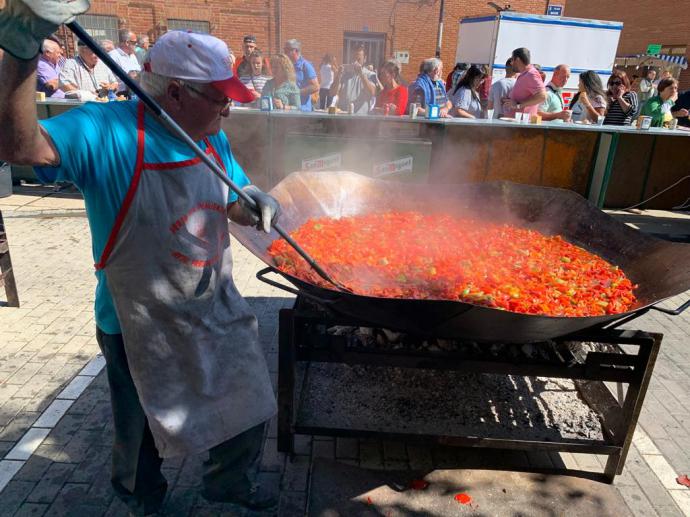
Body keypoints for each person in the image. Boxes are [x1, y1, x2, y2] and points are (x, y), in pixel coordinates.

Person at [0, 10, 280, 513]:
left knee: (248, 396)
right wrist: (20, 53)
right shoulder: (103, 131)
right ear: (174, 93)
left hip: (212, 302)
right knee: (140, 425)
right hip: (139, 321)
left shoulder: (210, 133)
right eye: (219, 98)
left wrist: (253, 199)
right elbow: (18, 147)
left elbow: (231, 197)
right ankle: (141, 498)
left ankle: (229, 481)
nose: (228, 111)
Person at [330, 45, 379, 115]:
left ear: (364, 59)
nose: (355, 62)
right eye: (353, 59)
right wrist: (338, 75)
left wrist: (361, 74)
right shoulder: (345, 74)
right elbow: (332, 93)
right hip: (342, 117)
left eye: (358, 59)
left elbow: (372, 93)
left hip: (360, 119)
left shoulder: (370, 74)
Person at [502, 47, 546, 118]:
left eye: (512, 59)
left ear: (518, 59)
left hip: (521, 125)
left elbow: (542, 96)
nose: (511, 63)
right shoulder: (525, 74)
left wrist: (518, 104)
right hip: (516, 124)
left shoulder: (531, 74)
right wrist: (510, 100)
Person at [283, 39, 319, 111]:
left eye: (287, 50)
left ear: (296, 51)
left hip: (303, 110)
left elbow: (315, 86)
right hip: (288, 108)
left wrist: (296, 92)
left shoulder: (305, 65)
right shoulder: (286, 65)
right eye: (284, 50)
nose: (285, 53)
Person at [108, 29, 141, 95]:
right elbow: (111, 79)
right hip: (121, 94)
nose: (136, 45)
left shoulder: (132, 56)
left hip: (137, 92)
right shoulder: (113, 56)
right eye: (134, 43)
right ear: (127, 43)